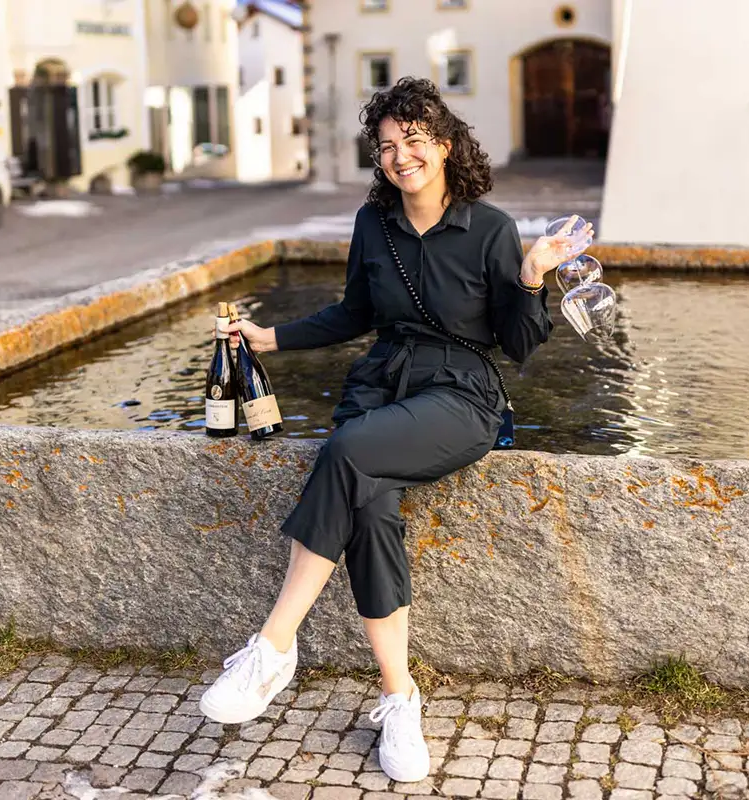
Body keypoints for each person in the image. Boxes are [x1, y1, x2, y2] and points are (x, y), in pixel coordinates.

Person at [200, 77, 593, 783]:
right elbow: (354, 313)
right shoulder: (372, 223)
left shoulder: (490, 228)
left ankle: (275, 646)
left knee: (348, 448)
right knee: (372, 509)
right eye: (386, 145)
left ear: (444, 145)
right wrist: (270, 338)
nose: (400, 155)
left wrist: (533, 275)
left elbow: (519, 343)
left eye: (413, 139)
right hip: (381, 385)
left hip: (461, 394)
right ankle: (399, 697)